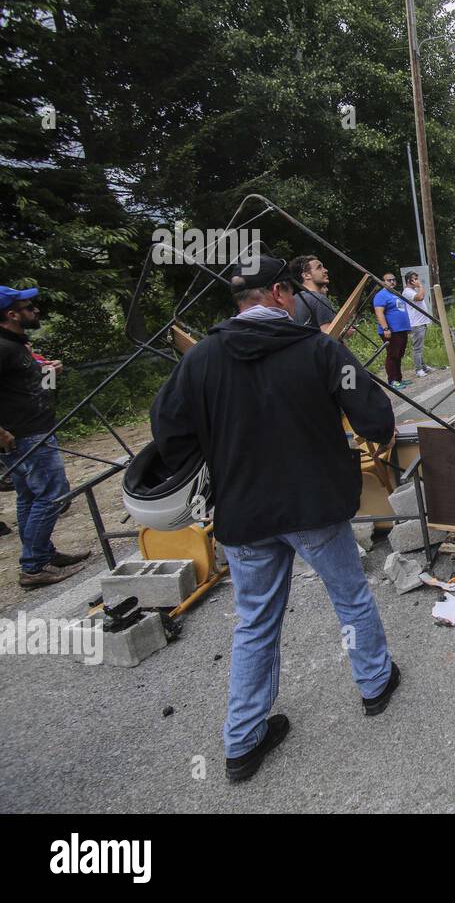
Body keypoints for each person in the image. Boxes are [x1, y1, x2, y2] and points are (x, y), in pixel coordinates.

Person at [150, 255, 400, 782]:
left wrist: (218, 461)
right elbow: (377, 419)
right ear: (283, 294)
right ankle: (375, 686)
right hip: (315, 507)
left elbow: (168, 431)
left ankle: (242, 742)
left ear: (239, 302)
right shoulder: (320, 350)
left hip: (243, 513)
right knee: (350, 599)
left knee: (255, 622)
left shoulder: (199, 360)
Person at [0, 286, 90, 589]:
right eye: (28, 307)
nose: (35, 310)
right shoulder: (3, 347)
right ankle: (34, 566)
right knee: (53, 495)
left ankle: (42, 555)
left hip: (34, 430)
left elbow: (36, 388)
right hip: (25, 436)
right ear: (11, 315)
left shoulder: (17, 345)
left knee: (29, 497)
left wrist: (50, 372)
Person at [372, 272, 411, 389]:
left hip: (401, 330)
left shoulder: (396, 294)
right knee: (392, 355)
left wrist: (406, 327)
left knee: (399, 354)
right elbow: (379, 312)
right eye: (389, 280)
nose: (392, 282)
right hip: (391, 331)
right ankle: (392, 381)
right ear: (383, 282)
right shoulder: (381, 295)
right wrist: (386, 328)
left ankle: (399, 379)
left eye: (393, 280)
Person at [290, 254, 336, 331]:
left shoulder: (292, 300)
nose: (325, 270)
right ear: (306, 275)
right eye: (319, 267)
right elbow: (330, 336)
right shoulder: (319, 299)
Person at [401, 271, 433, 377]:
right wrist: (420, 286)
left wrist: (419, 287)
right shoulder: (407, 292)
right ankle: (418, 369)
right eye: (415, 278)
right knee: (417, 348)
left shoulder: (413, 290)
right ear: (410, 280)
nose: (417, 280)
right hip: (416, 323)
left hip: (421, 321)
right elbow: (420, 297)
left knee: (420, 346)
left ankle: (423, 366)